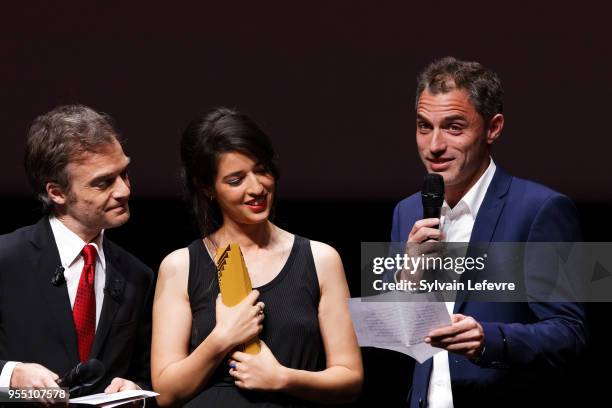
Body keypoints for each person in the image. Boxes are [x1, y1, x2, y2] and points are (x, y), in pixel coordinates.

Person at [390, 57, 586, 408]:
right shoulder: (407, 211)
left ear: (493, 128)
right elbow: (397, 334)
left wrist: (488, 340)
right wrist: (407, 280)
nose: (433, 145)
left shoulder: (541, 209)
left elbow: (569, 333)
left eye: (453, 127)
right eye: (423, 126)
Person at [151, 108, 363, 407]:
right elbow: (165, 393)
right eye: (236, 180)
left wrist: (283, 378)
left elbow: (350, 378)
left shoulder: (320, 259)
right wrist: (222, 337)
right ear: (207, 187)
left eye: (261, 170)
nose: (257, 187)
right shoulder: (180, 266)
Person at [0, 105, 154, 398]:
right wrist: (12, 374)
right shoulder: (6, 260)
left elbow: (145, 375)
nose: (124, 191)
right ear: (57, 193)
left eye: (125, 173)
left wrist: (134, 389)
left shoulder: (138, 276)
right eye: (103, 182)